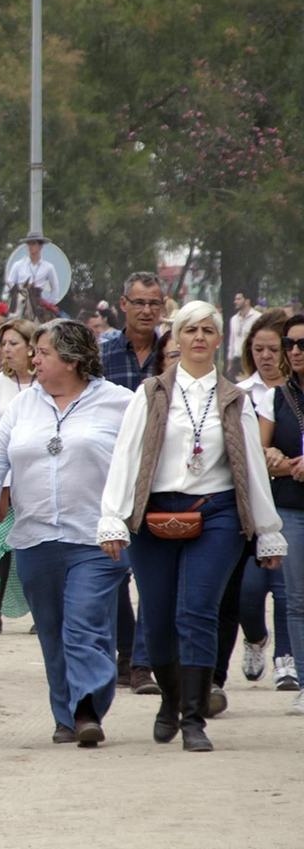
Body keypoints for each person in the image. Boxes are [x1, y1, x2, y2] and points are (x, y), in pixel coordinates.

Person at [98, 301, 285, 751]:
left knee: (197, 610)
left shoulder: (235, 399)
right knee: (158, 616)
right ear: (177, 339)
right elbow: (126, 456)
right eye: (190, 330)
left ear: (219, 339)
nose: (199, 337)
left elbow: (251, 467)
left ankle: (194, 717)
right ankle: (171, 699)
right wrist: (113, 517)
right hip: (155, 514)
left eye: (207, 330)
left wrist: (267, 529)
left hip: (217, 514)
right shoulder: (150, 393)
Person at [0, 320, 134, 744]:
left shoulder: (121, 403)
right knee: (53, 630)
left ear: (73, 359)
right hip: (35, 537)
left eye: (43, 353)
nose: (34, 360)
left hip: (98, 538)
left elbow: (143, 461)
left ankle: (87, 707)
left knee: (85, 624)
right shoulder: (23, 404)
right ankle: (67, 716)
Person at [99, 272, 168, 695]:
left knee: (151, 574)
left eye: (153, 303)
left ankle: (143, 664)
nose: (146, 310)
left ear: (163, 307)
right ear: (123, 304)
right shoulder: (101, 354)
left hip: (162, 477)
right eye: (138, 302)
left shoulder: (172, 352)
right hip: (111, 473)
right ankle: (126, 650)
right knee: (112, 569)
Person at [235, 310, 295, 689]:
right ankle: (255, 637)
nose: (267, 356)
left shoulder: (295, 392)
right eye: (259, 349)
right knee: (249, 590)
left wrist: (281, 461)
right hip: (252, 505)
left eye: (274, 349)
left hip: (289, 500)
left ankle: (286, 659)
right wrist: (266, 453)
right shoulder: (240, 393)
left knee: (288, 588)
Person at [0, 318, 38, 634]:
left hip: (37, 475)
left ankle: (42, 611)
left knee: (38, 543)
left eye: (13, 343)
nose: (6, 350)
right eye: (3, 344)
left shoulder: (47, 382)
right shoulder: (0, 383)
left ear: (31, 347)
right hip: (6, 476)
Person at [260, 314, 304, 714]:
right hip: (291, 507)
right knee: (296, 599)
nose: (294, 351)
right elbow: (260, 453)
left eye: (302, 344)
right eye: (289, 344)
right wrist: (277, 458)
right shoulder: (276, 398)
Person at [5, 229, 61, 308]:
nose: (30, 246)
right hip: (20, 302)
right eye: (29, 244)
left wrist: (47, 303)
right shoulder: (18, 265)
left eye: (34, 243)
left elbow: (55, 289)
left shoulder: (49, 267)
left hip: (38, 303)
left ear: (41, 246)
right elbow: (9, 286)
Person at [228, 291, 261, 378]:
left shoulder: (257, 318)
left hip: (250, 358)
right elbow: (232, 341)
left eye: (239, 299)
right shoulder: (234, 319)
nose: (235, 301)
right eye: (235, 299)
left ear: (247, 301)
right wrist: (230, 362)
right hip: (237, 359)